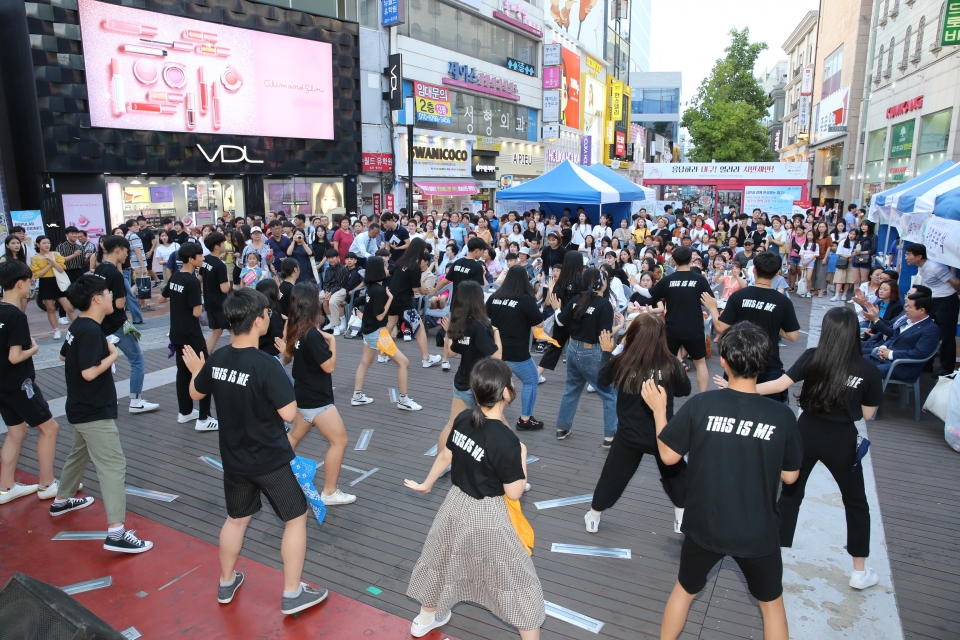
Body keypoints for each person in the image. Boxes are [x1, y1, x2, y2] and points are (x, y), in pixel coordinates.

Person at [640, 322, 801, 640]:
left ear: (724, 361)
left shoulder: (703, 404)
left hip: (705, 524)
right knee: (771, 605)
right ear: (764, 362)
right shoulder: (781, 416)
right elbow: (791, 475)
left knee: (685, 591)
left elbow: (669, 457)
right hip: (757, 529)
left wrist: (660, 411)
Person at [183, 289, 328, 615]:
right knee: (295, 518)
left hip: (234, 461)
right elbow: (290, 414)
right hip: (271, 460)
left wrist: (197, 368)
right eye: (267, 313)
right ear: (259, 320)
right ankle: (292, 594)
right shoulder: (265, 365)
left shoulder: (218, 357)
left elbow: (196, 391)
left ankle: (226, 581)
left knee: (236, 519)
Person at [741, 307, 884, 590]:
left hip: (804, 431)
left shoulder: (812, 358)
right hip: (842, 439)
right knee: (856, 502)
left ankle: (775, 560)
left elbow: (780, 384)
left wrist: (742, 388)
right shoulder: (868, 370)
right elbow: (868, 414)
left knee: (790, 495)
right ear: (854, 332)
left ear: (827, 331)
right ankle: (859, 571)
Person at [404, 358, 543, 639]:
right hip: (489, 515)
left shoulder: (463, 419)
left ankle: (425, 619)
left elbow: (446, 455)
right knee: (517, 581)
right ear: (505, 393)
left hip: (454, 504)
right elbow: (514, 492)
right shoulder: (508, 442)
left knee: (440, 559)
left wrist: (427, 484)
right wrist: (523, 456)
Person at [51, 274, 154, 553]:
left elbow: (64, 355)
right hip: (93, 410)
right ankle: (117, 531)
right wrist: (112, 355)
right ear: (97, 299)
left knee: (79, 453)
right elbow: (87, 372)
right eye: (108, 293)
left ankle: (62, 499)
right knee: (113, 466)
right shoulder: (90, 330)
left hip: (81, 407)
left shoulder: (80, 326)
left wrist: (103, 350)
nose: (112, 296)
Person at [584, 315, 690, 534]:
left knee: (612, 477)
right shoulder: (671, 363)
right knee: (676, 474)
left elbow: (602, 379)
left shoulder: (623, 362)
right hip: (662, 433)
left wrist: (607, 351)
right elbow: (685, 390)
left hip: (629, 436)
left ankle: (594, 516)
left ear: (633, 336)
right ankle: (681, 518)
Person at [276, 283, 355, 506]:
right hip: (317, 401)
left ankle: (276, 476)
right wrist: (332, 341)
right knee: (339, 442)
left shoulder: (297, 328)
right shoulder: (312, 335)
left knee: (292, 438)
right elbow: (329, 367)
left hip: (302, 396)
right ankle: (329, 492)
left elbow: (289, 354)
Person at [0, 261, 62, 504]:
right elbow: (15, 356)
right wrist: (34, 348)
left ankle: (5, 487)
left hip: (2, 386)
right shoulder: (16, 315)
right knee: (50, 428)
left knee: (16, 431)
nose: (31, 285)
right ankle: (47, 483)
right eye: (29, 282)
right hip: (20, 384)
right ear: (19, 284)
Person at [703, 252, 800, 400]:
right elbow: (793, 336)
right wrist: (772, 321)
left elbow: (720, 327)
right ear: (776, 273)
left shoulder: (739, 296)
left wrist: (712, 308)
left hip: (737, 360)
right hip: (768, 362)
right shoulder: (783, 301)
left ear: (754, 270)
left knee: (733, 408)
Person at [631, 246, 714, 393]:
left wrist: (634, 284)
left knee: (664, 363)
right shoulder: (700, 280)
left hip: (672, 328)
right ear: (690, 259)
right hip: (694, 328)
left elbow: (649, 293)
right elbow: (711, 300)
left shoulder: (668, 279)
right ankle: (703, 396)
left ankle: (661, 393)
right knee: (700, 363)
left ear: (674, 261)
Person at [550, 268, 618, 446]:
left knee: (571, 388)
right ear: (601, 282)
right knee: (609, 393)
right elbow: (606, 336)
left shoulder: (576, 299)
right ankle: (610, 436)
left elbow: (560, 322)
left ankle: (562, 428)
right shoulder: (604, 305)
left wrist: (557, 309)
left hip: (572, 349)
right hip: (592, 352)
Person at [95, 236, 160, 414]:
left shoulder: (99, 269)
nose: (127, 256)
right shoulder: (115, 274)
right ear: (117, 250)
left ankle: (107, 398)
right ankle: (136, 400)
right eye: (126, 251)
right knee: (137, 360)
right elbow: (119, 304)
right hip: (117, 323)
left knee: (105, 362)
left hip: (102, 324)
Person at [350, 257, 423, 411]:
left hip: (369, 332)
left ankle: (357, 396)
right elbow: (380, 316)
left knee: (365, 363)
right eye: (384, 265)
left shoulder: (370, 288)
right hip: (378, 333)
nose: (386, 268)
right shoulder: (378, 290)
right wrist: (390, 298)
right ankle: (403, 400)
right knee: (404, 363)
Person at [436, 280, 502, 447]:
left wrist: (449, 331)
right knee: (497, 427)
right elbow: (497, 356)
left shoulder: (461, 324)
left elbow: (451, 352)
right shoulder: (479, 327)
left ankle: (442, 461)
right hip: (477, 387)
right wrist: (496, 333)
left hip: (460, 383)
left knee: (452, 424)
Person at [159, 243, 217, 431]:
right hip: (192, 334)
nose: (202, 258)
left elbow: (162, 297)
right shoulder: (192, 282)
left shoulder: (175, 276)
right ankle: (204, 417)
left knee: (183, 372)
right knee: (202, 370)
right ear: (191, 259)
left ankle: (185, 412)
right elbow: (196, 312)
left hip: (176, 332)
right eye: (200, 256)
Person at [487, 265, 546, 431]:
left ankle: (487, 414)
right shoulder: (525, 300)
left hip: (495, 349)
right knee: (531, 380)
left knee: (496, 383)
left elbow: (489, 315)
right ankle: (525, 420)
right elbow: (539, 322)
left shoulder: (495, 296)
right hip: (516, 351)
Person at [905, 243, 960, 376]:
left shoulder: (935, 267)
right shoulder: (922, 267)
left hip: (946, 302)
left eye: (908, 254)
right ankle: (927, 364)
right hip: (934, 301)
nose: (906, 257)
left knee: (946, 336)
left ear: (918, 256)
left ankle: (947, 369)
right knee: (930, 331)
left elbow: (956, 283)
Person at [386, 238, 442, 367]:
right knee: (420, 327)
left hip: (393, 300)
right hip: (405, 303)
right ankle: (426, 358)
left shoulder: (401, 262)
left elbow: (388, 273)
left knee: (389, 326)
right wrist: (428, 291)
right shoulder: (415, 267)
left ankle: (382, 354)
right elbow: (416, 289)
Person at [862, 292, 940, 381]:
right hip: (883, 359)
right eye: (906, 306)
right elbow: (894, 337)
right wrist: (883, 347)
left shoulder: (930, 329)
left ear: (922, 310)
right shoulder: (907, 320)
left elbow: (919, 353)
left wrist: (891, 354)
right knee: (851, 362)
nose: (906, 309)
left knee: (864, 371)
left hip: (901, 366)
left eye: (910, 307)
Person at [30, 236, 77, 339]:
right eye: (44, 243)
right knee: (50, 308)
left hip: (58, 282)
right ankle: (56, 330)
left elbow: (61, 269)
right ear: (38, 244)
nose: (47, 245)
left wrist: (52, 261)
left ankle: (79, 327)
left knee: (69, 307)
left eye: (48, 243)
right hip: (46, 283)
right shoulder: (35, 258)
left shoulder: (56, 254)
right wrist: (48, 264)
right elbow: (39, 274)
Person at [202, 232, 232, 355]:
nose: (225, 245)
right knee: (234, 330)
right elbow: (225, 289)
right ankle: (234, 358)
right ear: (216, 247)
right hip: (220, 304)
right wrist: (227, 278)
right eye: (222, 243)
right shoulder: (220, 265)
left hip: (209, 301)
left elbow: (200, 279)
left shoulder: (205, 260)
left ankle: (203, 356)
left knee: (216, 331)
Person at [320, 249, 350, 335]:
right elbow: (325, 283)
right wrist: (326, 292)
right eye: (328, 258)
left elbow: (340, 284)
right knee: (317, 298)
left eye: (332, 257)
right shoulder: (328, 270)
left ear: (337, 258)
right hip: (329, 290)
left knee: (332, 302)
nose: (330, 260)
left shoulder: (343, 269)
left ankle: (336, 326)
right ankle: (331, 322)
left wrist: (330, 293)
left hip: (342, 289)